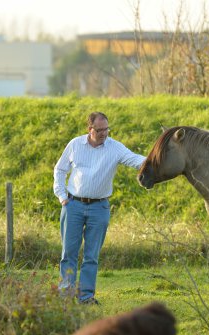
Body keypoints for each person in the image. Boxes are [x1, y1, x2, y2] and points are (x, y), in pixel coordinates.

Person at [53, 111, 146, 305]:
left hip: (99, 208)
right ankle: (65, 296)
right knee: (68, 253)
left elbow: (134, 159)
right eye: (100, 130)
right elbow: (60, 169)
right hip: (73, 205)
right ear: (90, 129)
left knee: (91, 256)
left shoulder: (115, 147)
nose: (104, 133)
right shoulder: (75, 145)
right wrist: (62, 197)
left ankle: (86, 297)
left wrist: (155, 159)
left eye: (107, 129)